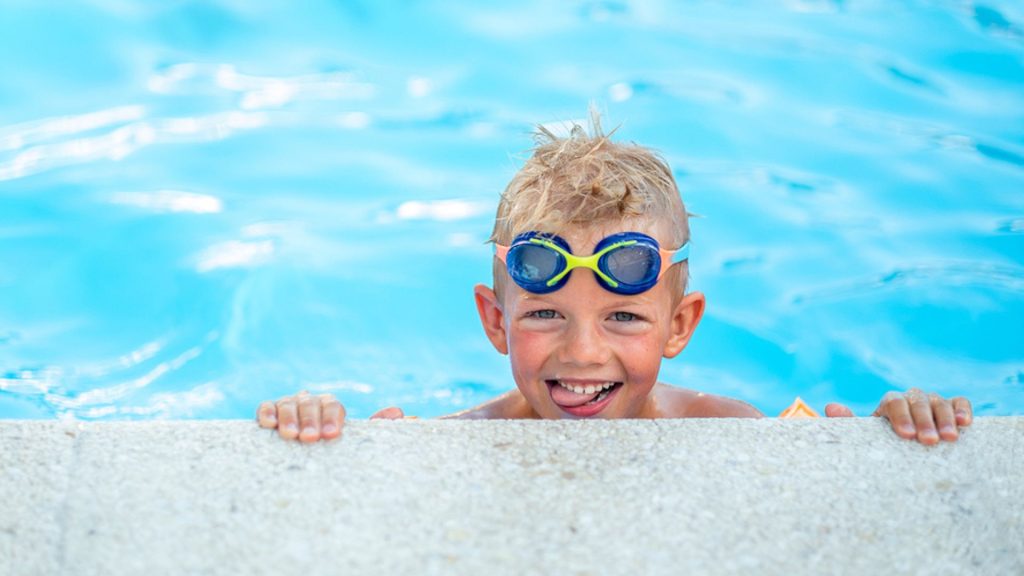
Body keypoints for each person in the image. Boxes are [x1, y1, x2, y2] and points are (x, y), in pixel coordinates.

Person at [257, 112, 972, 445]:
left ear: (680, 324)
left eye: (624, 317)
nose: (583, 354)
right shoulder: (454, 441)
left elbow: (841, 480)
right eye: (545, 315)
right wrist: (318, 426)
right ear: (495, 319)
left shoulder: (731, 432)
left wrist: (897, 429)